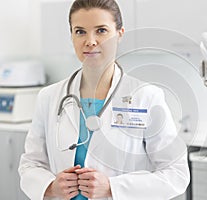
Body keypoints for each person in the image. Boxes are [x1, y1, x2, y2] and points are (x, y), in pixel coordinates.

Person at [18, 0, 190, 199]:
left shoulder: (146, 97)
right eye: (80, 31)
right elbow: (31, 163)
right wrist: (49, 186)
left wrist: (112, 187)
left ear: (119, 34)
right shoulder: (49, 97)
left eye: (101, 30)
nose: (90, 41)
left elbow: (176, 174)